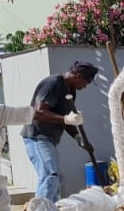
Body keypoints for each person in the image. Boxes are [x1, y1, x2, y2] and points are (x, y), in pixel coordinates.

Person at [21, 61, 97, 202]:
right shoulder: (52, 84)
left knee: (57, 180)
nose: (86, 86)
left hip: (49, 139)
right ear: (78, 76)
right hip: (37, 137)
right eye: (87, 82)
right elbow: (38, 112)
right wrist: (66, 119)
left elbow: (67, 119)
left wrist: (78, 137)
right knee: (50, 176)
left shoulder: (70, 91)